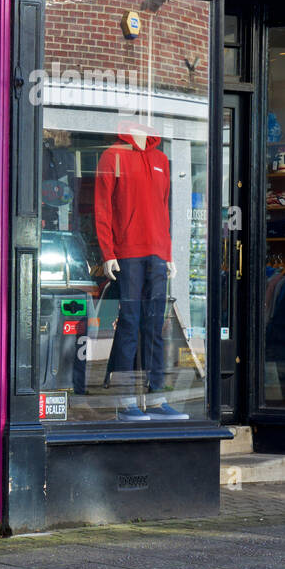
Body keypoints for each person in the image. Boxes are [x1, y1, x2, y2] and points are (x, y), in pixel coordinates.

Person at [95, 121, 188, 421]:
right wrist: (108, 252)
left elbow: (163, 210)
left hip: (157, 255)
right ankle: (125, 400)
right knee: (129, 324)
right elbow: (103, 207)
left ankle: (157, 397)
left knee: (155, 327)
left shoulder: (161, 160)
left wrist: (168, 253)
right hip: (128, 254)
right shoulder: (113, 155)